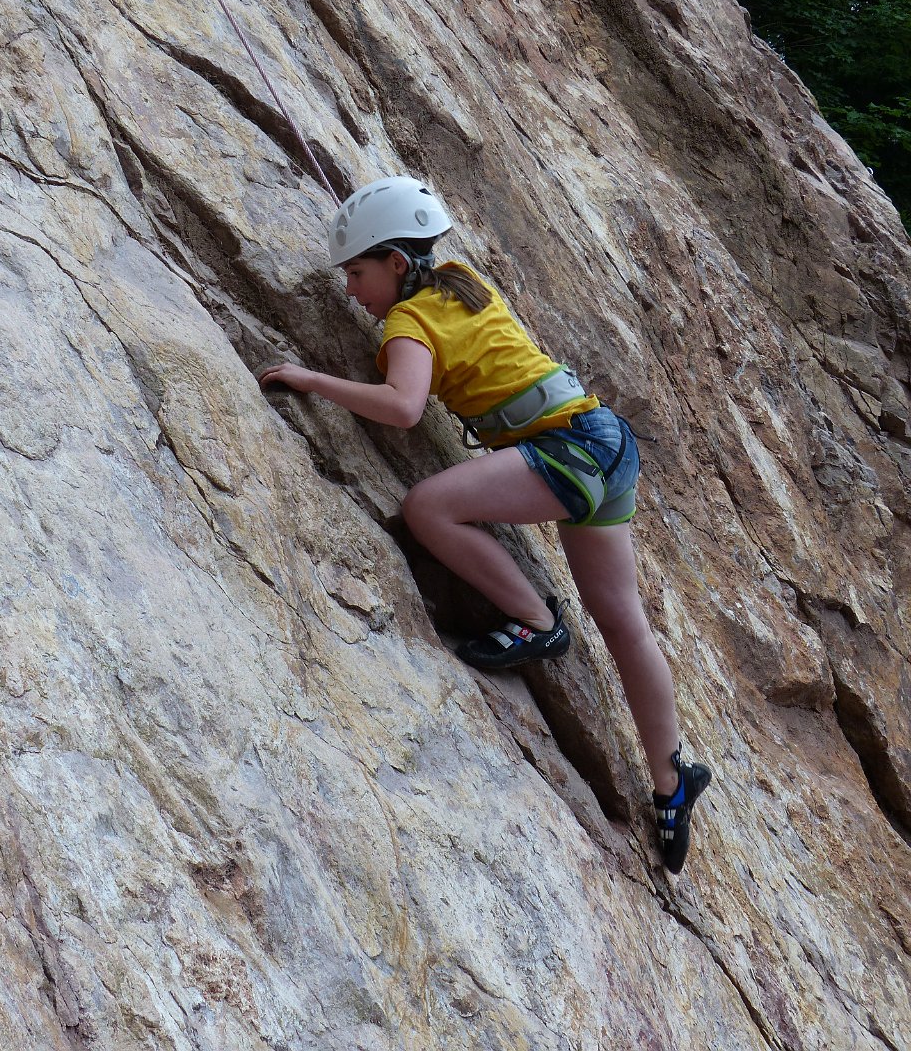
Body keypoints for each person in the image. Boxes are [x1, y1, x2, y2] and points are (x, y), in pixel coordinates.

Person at [258, 176, 711, 873]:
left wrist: (312, 381)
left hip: (566, 450)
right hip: (605, 441)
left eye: (357, 271)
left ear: (397, 265)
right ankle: (671, 782)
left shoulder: (407, 323)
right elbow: (451, 333)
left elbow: (404, 407)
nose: (352, 290)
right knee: (625, 623)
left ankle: (534, 621)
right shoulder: (461, 281)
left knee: (428, 507)